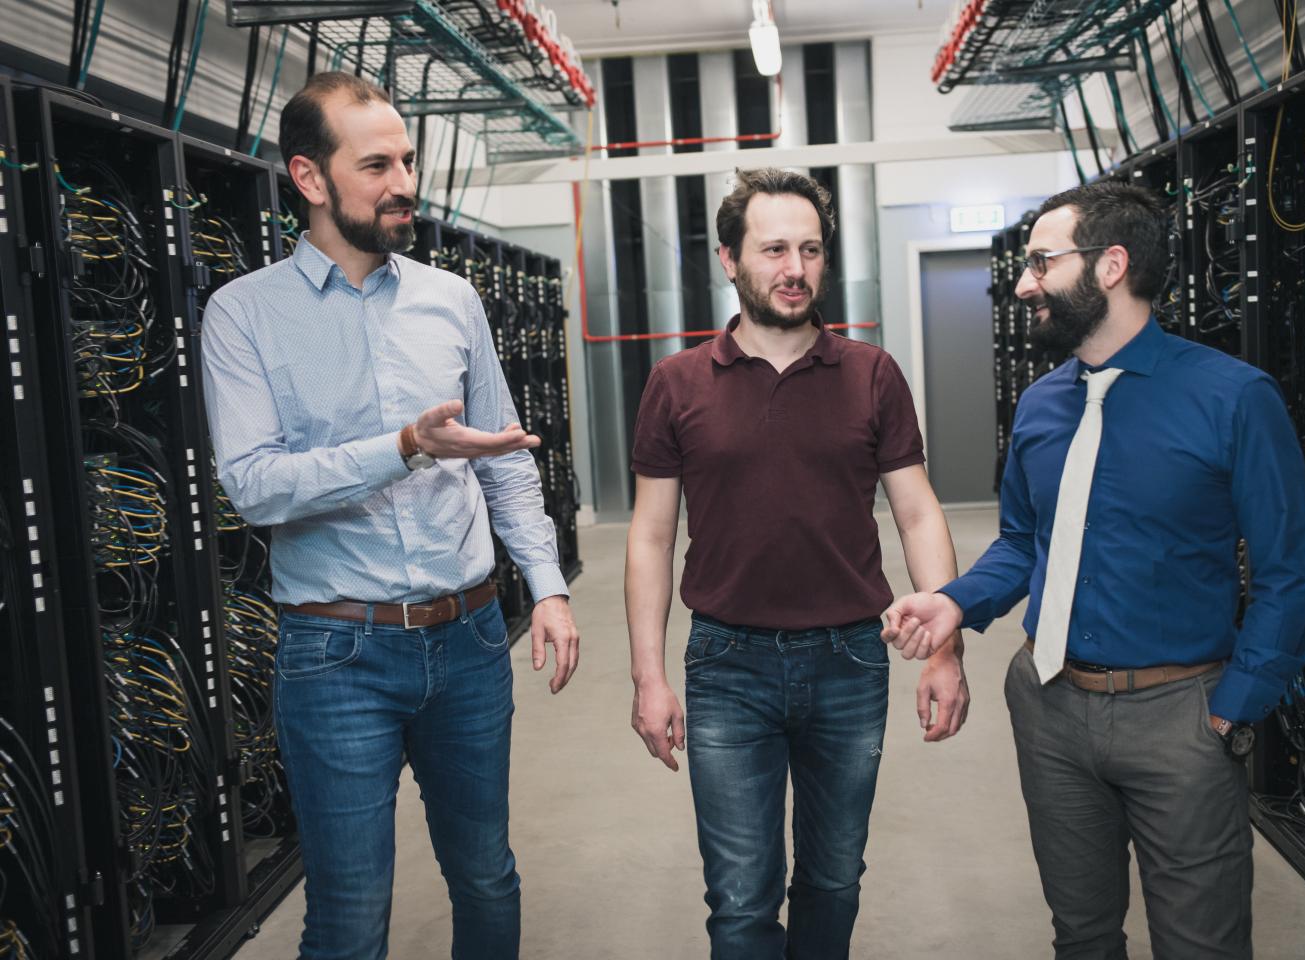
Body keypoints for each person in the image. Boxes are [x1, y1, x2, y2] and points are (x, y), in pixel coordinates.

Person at [200, 71, 579, 960]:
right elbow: (254, 486)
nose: (404, 180)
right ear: (310, 178)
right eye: (376, 164)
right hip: (338, 655)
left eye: (407, 159)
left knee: (486, 874)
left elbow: (507, 462)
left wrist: (551, 589)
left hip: (472, 640)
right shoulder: (243, 315)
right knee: (350, 911)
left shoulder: (453, 301)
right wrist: (403, 445)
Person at [883, 181, 1305, 959]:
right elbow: (1022, 542)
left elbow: (1287, 573)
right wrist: (954, 603)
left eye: (1042, 262)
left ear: (1111, 265)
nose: (1024, 282)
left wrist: (1231, 710)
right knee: (1081, 935)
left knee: (1200, 945)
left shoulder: (1234, 398)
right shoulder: (1044, 405)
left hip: (1181, 714)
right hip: (1050, 707)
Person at [625, 166, 968, 959]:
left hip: (850, 658)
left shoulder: (872, 375)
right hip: (727, 663)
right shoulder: (677, 384)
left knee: (834, 880)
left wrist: (945, 649)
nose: (795, 268)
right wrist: (649, 676)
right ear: (729, 259)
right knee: (741, 901)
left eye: (810, 249)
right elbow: (649, 534)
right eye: (774, 248)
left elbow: (917, 512)